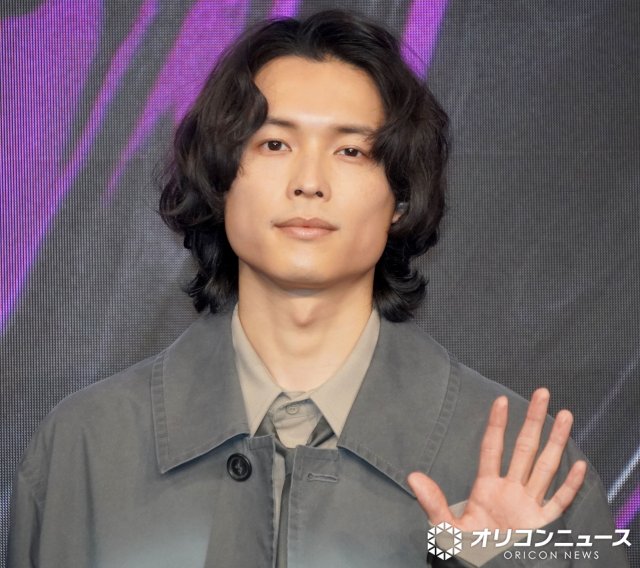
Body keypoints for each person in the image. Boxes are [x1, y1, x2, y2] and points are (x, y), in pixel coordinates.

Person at [8, 9, 628, 568]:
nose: (310, 182)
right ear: (221, 181)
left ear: (400, 198)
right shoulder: (83, 449)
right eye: (274, 143)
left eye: (351, 151)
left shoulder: (529, 467)